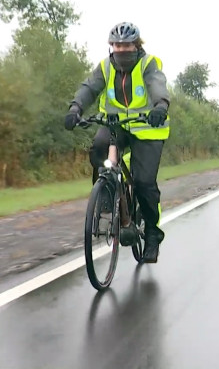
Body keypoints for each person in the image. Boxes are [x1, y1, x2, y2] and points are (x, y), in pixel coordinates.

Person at [63, 21, 170, 263]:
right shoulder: (106, 66)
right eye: (117, 45)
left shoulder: (148, 63)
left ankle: (152, 235)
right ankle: (106, 194)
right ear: (111, 46)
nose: (121, 50)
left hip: (148, 128)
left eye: (126, 45)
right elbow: (89, 88)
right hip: (116, 125)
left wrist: (160, 106)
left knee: (144, 182)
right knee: (99, 147)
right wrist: (75, 108)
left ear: (136, 44)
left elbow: (156, 84)